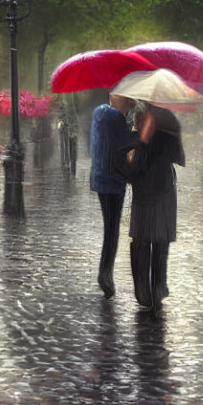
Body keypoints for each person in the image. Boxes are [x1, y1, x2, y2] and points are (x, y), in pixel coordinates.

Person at [119, 103, 185, 312]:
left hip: (146, 194)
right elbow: (178, 157)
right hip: (163, 191)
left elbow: (133, 169)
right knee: (159, 241)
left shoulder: (143, 136)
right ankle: (157, 288)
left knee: (142, 240)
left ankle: (144, 291)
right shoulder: (168, 127)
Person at [89, 93, 134, 298]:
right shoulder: (116, 118)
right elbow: (123, 150)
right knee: (112, 229)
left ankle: (105, 272)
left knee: (110, 227)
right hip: (114, 181)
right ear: (113, 95)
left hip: (100, 178)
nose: (127, 99)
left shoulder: (99, 112)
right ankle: (105, 274)